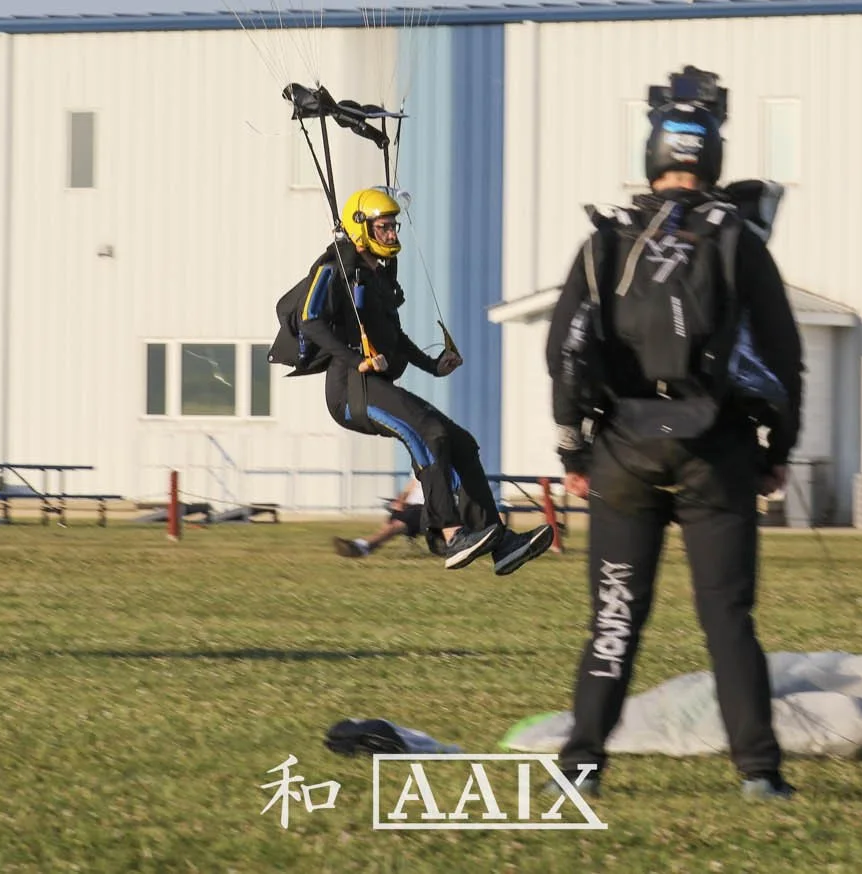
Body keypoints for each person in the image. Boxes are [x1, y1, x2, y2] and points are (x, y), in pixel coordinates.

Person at [544, 67, 805, 802]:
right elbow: (781, 357)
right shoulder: (737, 241)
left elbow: (565, 349)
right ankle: (759, 772)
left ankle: (583, 764)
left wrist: (573, 448)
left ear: (653, 154)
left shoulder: (607, 239)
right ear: (710, 157)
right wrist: (773, 452)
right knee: (727, 619)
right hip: (714, 455)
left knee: (616, 616)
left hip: (623, 453)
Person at [298, 187, 552, 575]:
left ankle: (499, 540)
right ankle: (450, 533)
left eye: (393, 226)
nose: (392, 234)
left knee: (461, 442)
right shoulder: (333, 269)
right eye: (383, 227)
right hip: (351, 391)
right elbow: (309, 320)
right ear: (361, 227)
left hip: (376, 385)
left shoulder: (377, 277)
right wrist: (357, 360)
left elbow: (394, 339)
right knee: (429, 431)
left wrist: (433, 366)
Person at [335, 473, 426, 558]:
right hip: (410, 506)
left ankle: (363, 546)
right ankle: (363, 545)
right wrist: (400, 501)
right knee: (391, 524)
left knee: (396, 524)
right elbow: (411, 486)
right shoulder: (420, 464)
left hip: (425, 508)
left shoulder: (437, 465)